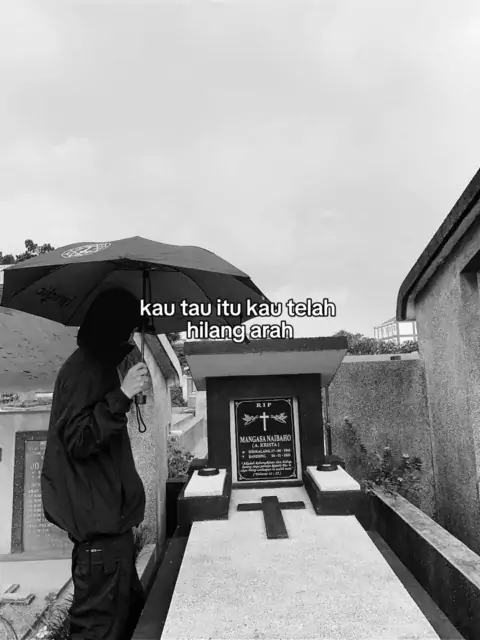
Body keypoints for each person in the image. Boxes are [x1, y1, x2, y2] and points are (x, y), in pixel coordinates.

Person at [41, 288, 149, 640]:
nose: (129, 337)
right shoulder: (83, 370)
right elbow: (78, 439)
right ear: (111, 326)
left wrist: (125, 390)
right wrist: (122, 395)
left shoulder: (99, 366)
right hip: (100, 544)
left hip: (113, 539)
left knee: (130, 623)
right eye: (127, 329)